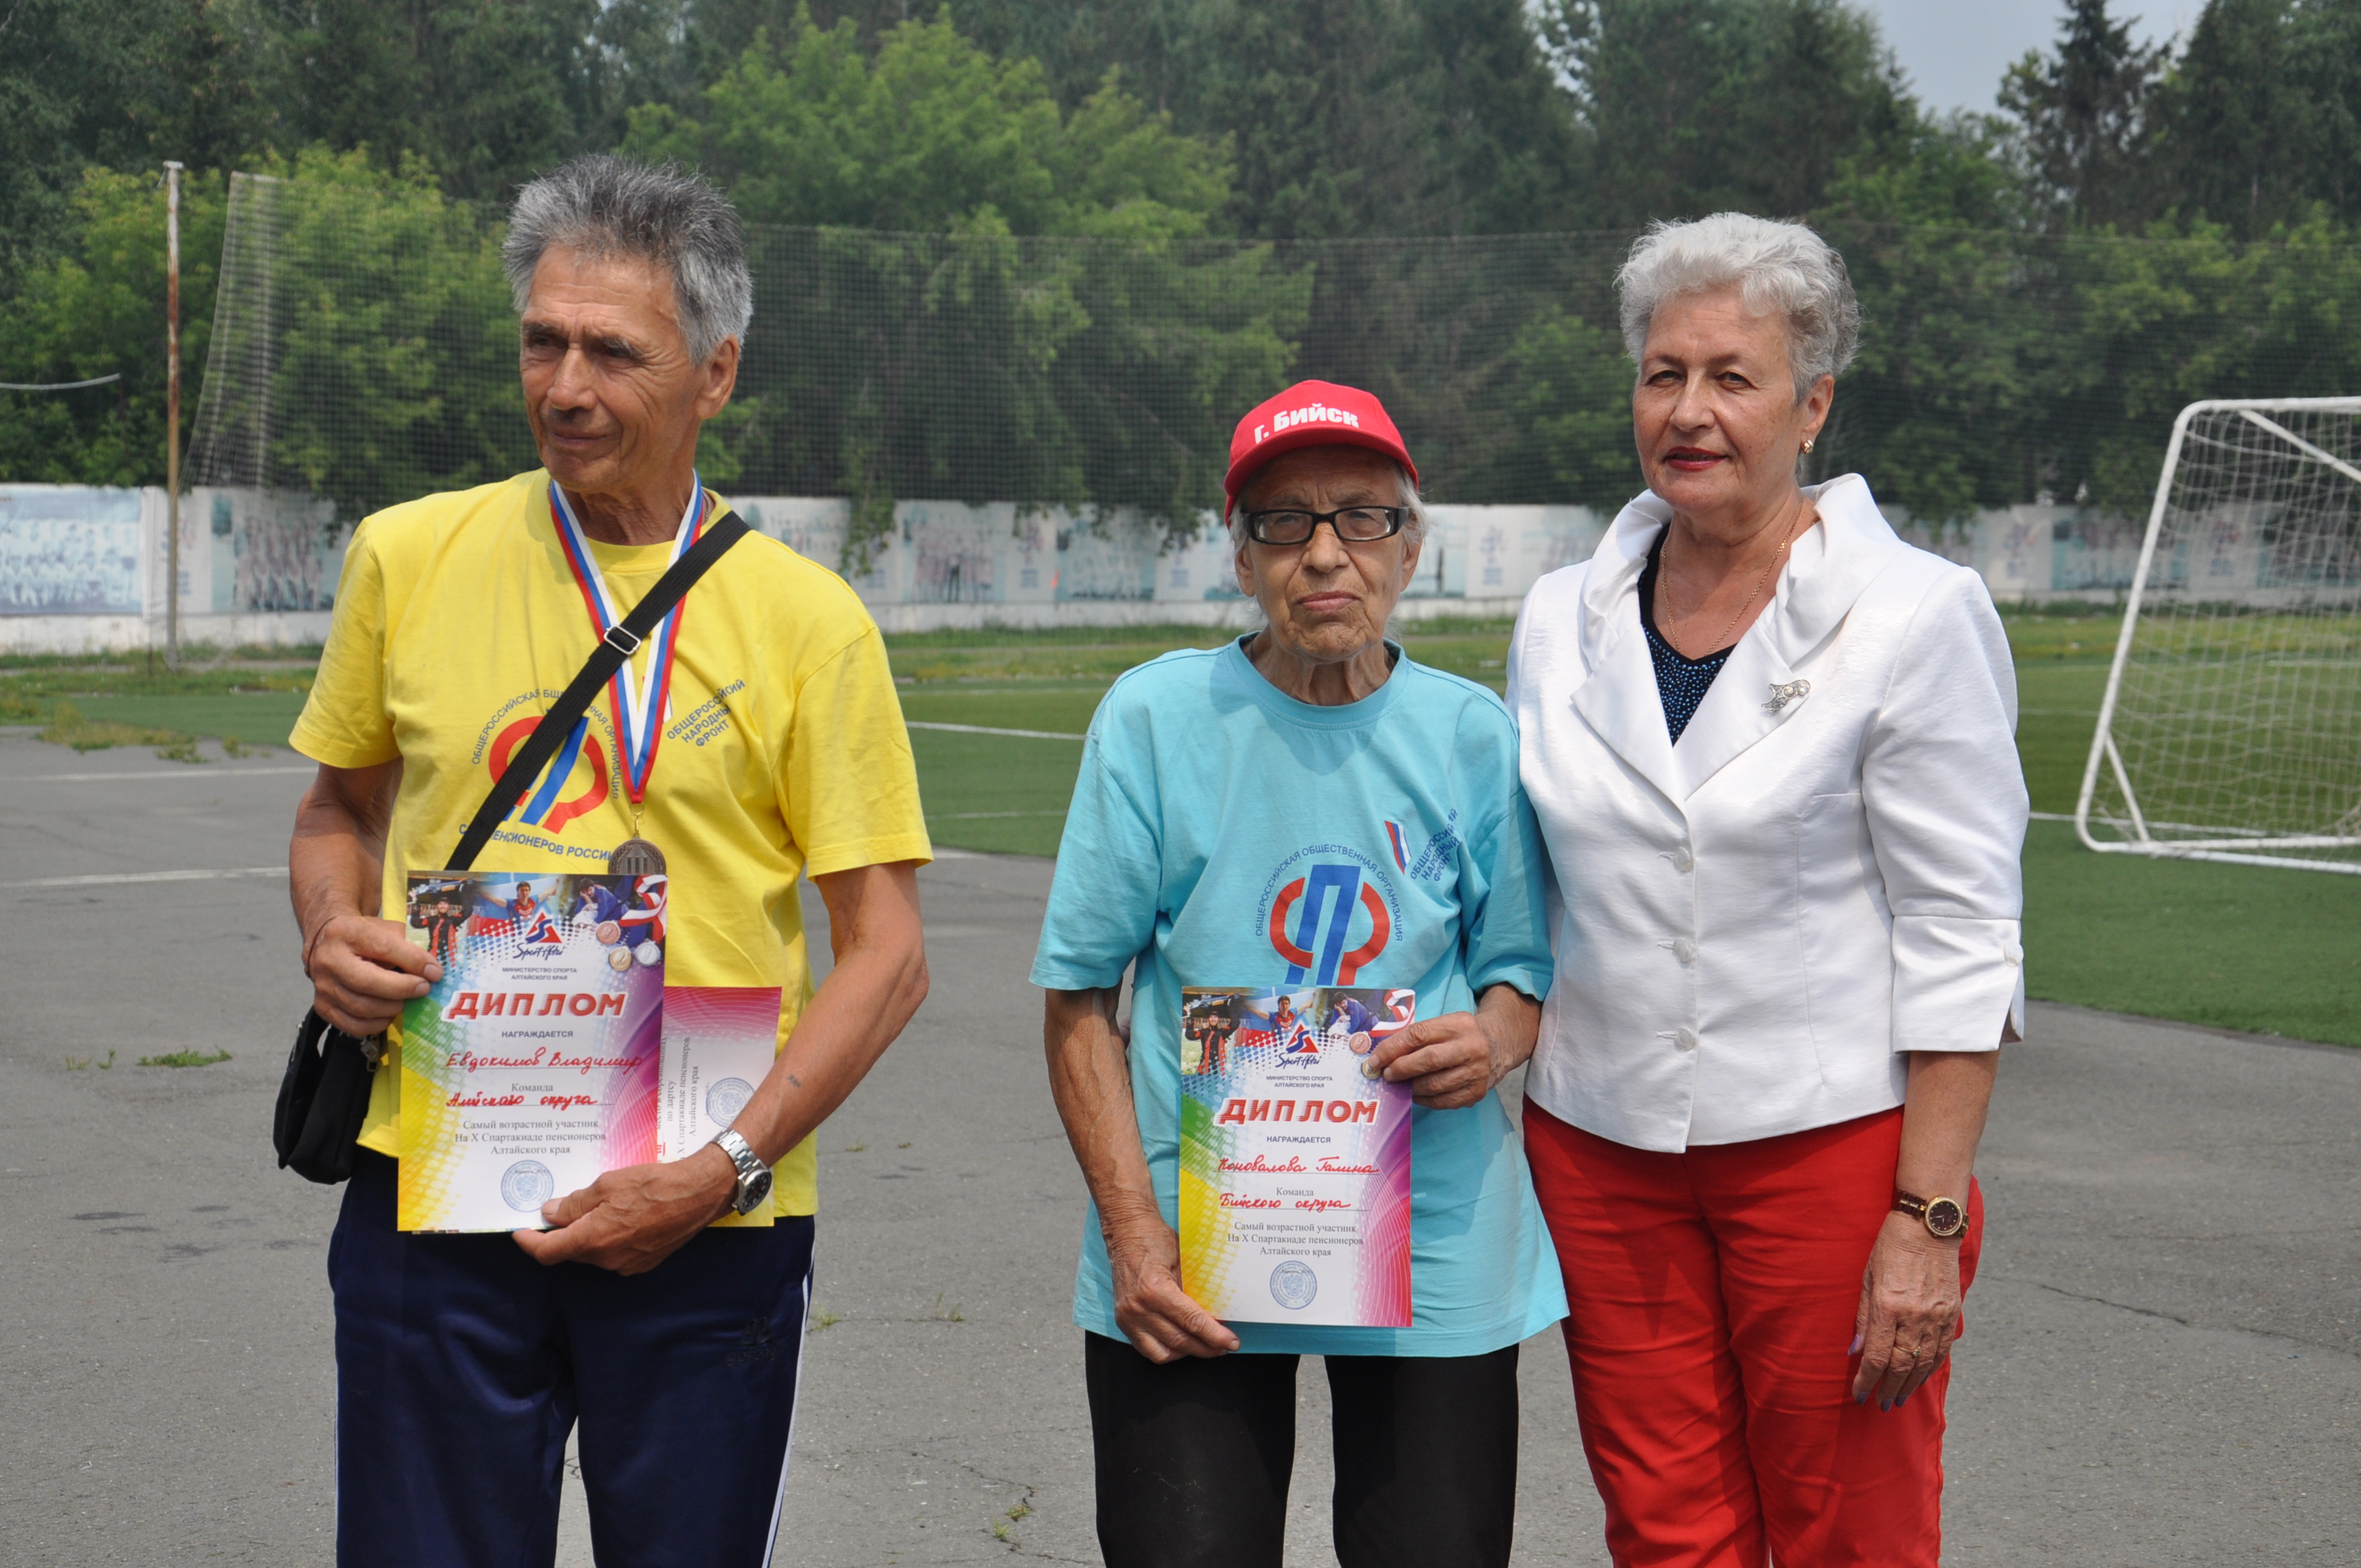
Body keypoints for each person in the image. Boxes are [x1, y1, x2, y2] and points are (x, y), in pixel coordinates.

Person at [285, 155, 932, 1568]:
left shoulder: (808, 623)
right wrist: (332, 927)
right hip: (434, 1189)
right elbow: (339, 810)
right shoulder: (406, 555)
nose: (565, 384)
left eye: (614, 352)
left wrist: (727, 1167)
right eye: (543, 340)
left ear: (716, 372)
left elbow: (887, 956)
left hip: (705, 1216)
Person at [1505, 213, 2027, 1566]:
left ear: (1814, 404)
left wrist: (1928, 1218)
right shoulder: (1557, 615)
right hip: (1603, 1150)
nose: (1690, 411)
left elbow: (1964, 935)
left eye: (1731, 377)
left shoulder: (1917, 613)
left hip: (1832, 1155)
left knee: (1848, 1528)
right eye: (1662, 373)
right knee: (1665, 1529)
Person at [1033, 380, 1564, 1568]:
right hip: (1192, 1248)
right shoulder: (1156, 720)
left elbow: (1519, 972)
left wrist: (1491, 1039)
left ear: (1410, 546)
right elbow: (1079, 1001)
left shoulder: (1473, 734)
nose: (1325, 553)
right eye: (1285, 521)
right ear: (1240, 556)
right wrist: (1132, 1233)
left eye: (1362, 517)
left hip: (1429, 1236)